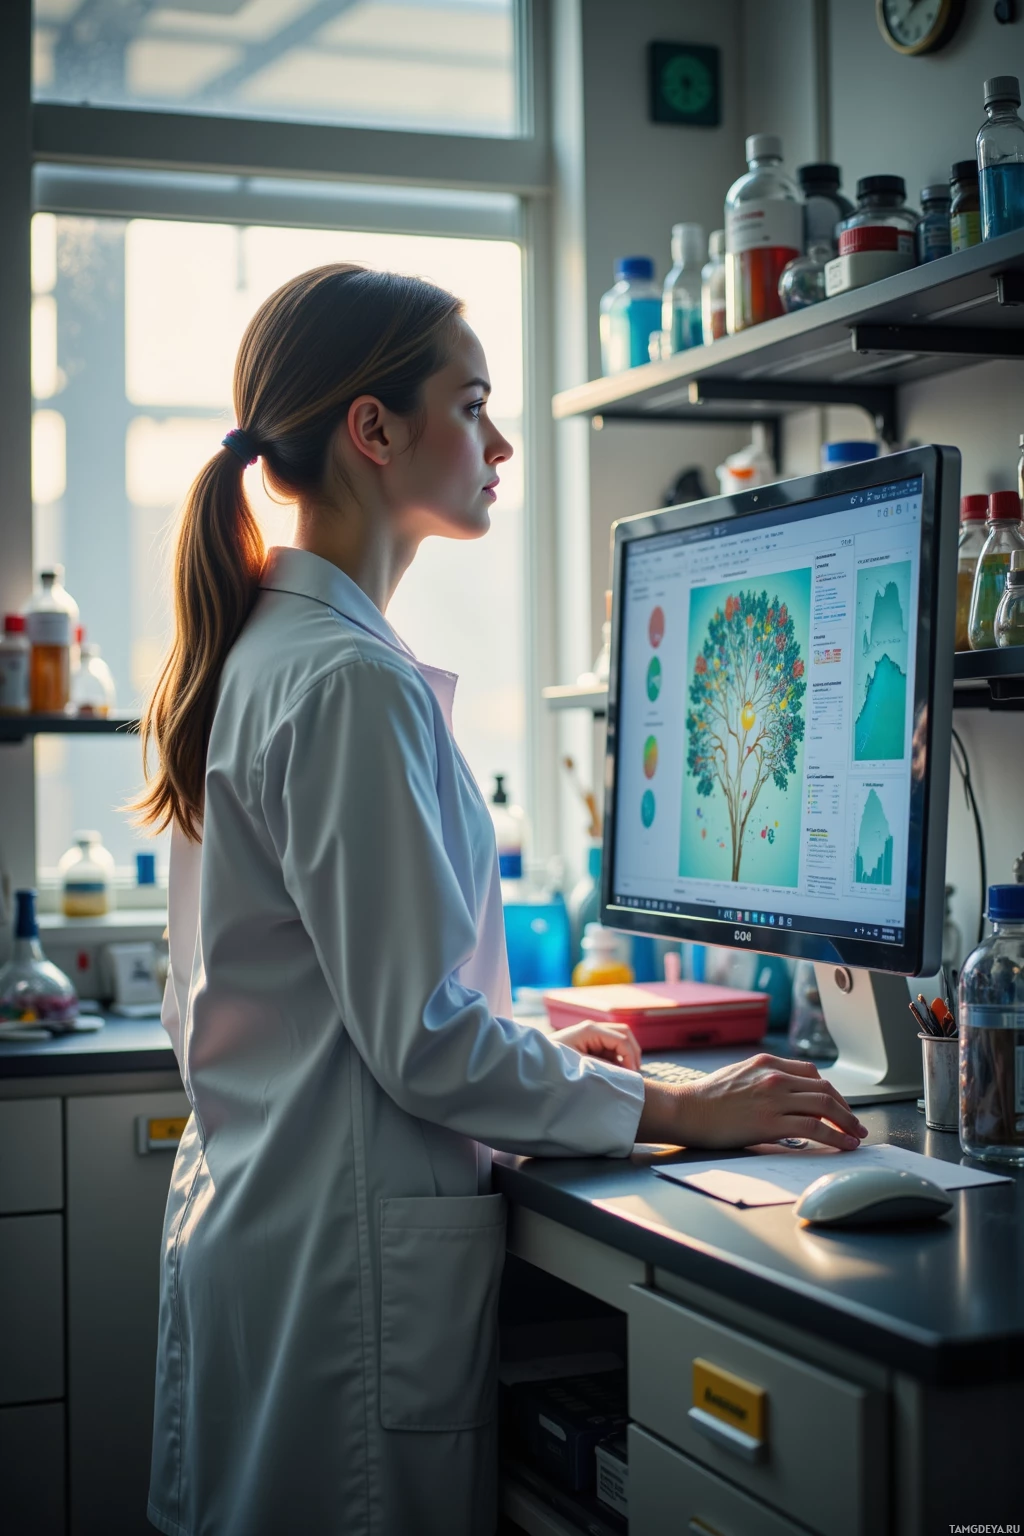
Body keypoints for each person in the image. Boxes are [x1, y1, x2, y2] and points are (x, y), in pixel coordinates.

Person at [136, 263, 866, 1536]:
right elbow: (416, 1040)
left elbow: (343, 1003)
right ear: (374, 430)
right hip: (340, 1261)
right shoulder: (344, 682)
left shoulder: (272, 650)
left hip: (276, 1226)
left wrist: (529, 1046)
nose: (502, 442)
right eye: (472, 404)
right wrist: (677, 1106)